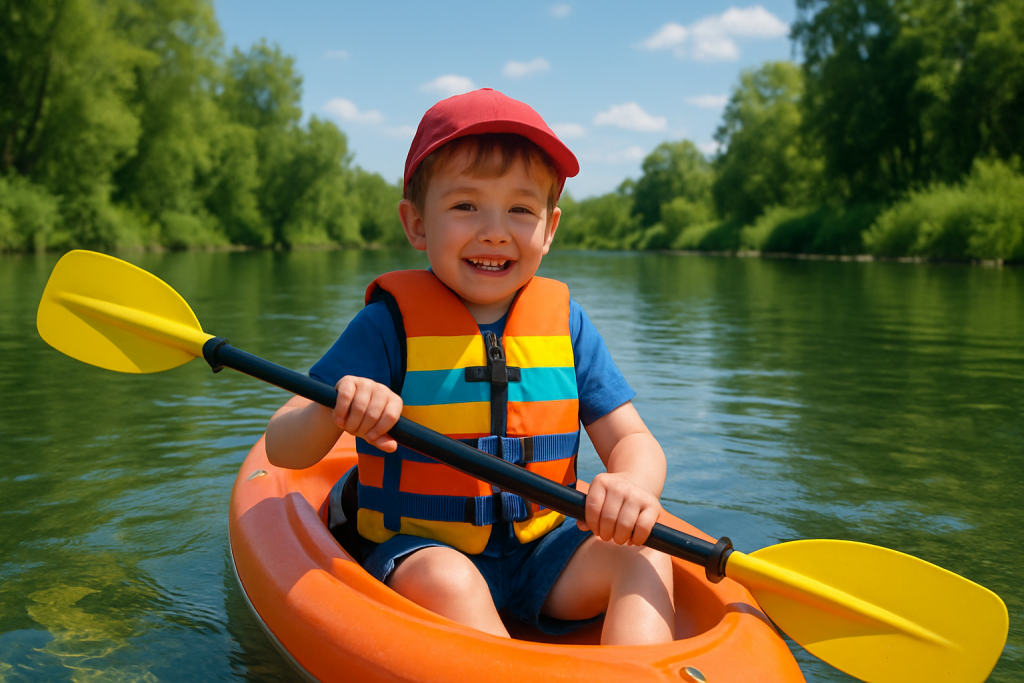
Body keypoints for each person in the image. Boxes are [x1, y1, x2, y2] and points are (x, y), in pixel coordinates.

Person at [265, 88, 674, 645]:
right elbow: (284, 447)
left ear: (549, 228)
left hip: (545, 552)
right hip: (422, 550)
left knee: (646, 552)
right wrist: (337, 408)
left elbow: (634, 439)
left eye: (520, 210)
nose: (494, 230)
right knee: (450, 578)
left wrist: (631, 485)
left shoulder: (567, 325)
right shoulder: (386, 327)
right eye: (465, 206)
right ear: (416, 224)